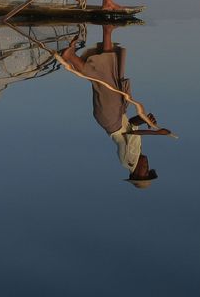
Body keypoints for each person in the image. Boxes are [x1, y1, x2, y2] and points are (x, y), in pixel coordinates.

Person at [60, 24, 172, 187]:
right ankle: (107, 31)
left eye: (145, 171)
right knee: (112, 73)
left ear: (135, 174)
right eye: (149, 170)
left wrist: (156, 133)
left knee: (103, 79)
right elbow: (131, 126)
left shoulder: (128, 161)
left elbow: (129, 135)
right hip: (116, 115)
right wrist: (145, 120)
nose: (147, 167)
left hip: (110, 118)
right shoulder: (136, 153)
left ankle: (70, 56)